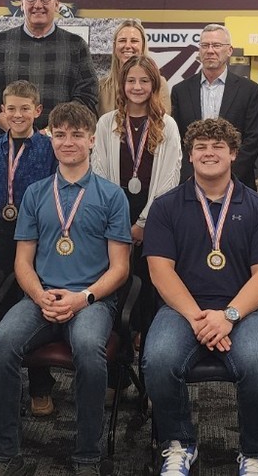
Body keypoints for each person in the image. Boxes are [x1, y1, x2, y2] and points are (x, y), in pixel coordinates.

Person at [0, 102, 132, 476]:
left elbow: (121, 268)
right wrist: (39, 296)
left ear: (92, 140)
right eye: (60, 134)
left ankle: (87, 455)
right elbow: (22, 262)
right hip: (42, 295)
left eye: (77, 135)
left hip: (93, 299)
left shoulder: (112, 196)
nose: (68, 142)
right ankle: (5, 454)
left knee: (87, 348)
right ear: (50, 139)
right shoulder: (34, 193)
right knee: (1, 345)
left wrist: (83, 298)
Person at [142, 118, 258, 476]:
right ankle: (178, 444)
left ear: (234, 154)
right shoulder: (166, 206)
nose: (209, 153)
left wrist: (229, 316)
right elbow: (161, 271)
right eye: (201, 147)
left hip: (245, 311)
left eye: (218, 146)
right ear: (189, 156)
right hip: (181, 309)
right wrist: (196, 317)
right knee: (157, 361)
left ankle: (253, 452)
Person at [92, 54, 181, 370]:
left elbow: (170, 179)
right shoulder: (107, 123)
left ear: (154, 85)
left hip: (154, 225)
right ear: (121, 83)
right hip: (114, 222)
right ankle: (116, 374)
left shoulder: (167, 125)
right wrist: (120, 226)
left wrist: (143, 224)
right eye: (131, 80)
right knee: (118, 291)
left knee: (149, 295)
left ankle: (149, 375)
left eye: (144, 81)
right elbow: (99, 172)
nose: (137, 86)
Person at [0, 79, 58, 417]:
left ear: (38, 111)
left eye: (25, 108)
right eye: (12, 108)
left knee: (33, 307)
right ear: (3, 111)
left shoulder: (49, 148)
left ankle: (41, 383)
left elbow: (56, 197)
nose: (18, 114)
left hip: (37, 239)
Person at [0, 0, 98, 134]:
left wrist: (49, 132)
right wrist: (16, 130)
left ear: (56, 4)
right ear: (21, 4)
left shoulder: (76, 45)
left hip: (58, 144)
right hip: (9, 144)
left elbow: (87, 95)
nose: (38, 5)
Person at [170, 24, 258, 189]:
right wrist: (196, 175)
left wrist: (225, 175)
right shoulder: (180, 91)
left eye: (216, 45)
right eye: (205, 45)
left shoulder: (249, 90)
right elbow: (178, 141)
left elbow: (252, 140)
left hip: (237, 182)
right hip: (192, 183)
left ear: (230, 50)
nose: (210, 50)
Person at [98, 19, 170, 115]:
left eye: (134, 41)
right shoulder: (101, 87)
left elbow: (163, 123)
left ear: (143, 45)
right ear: (115, 46)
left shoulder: (159, 84)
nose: (128, 46)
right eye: (122, 40)